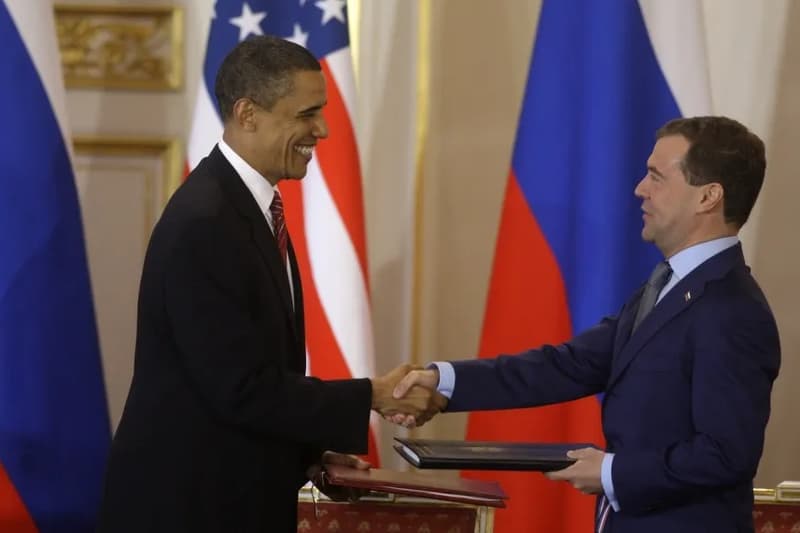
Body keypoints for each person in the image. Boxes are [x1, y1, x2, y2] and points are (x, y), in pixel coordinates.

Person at [98, 35, 445, 533]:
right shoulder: (205, 223)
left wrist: (309, 454)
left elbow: (254, 373)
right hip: (188, 507)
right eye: (307, 114)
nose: (322, 130)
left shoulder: (246, 209)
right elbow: (240, 388)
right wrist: (373, 394)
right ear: (248, 114)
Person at [392, 116, 781, 533]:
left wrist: (612, 472)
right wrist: (443, 381)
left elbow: (725, 455)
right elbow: (567, 365)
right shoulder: (667, 285)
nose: (640, 189)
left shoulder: (733, 310)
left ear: (708, 196)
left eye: (656, 176)